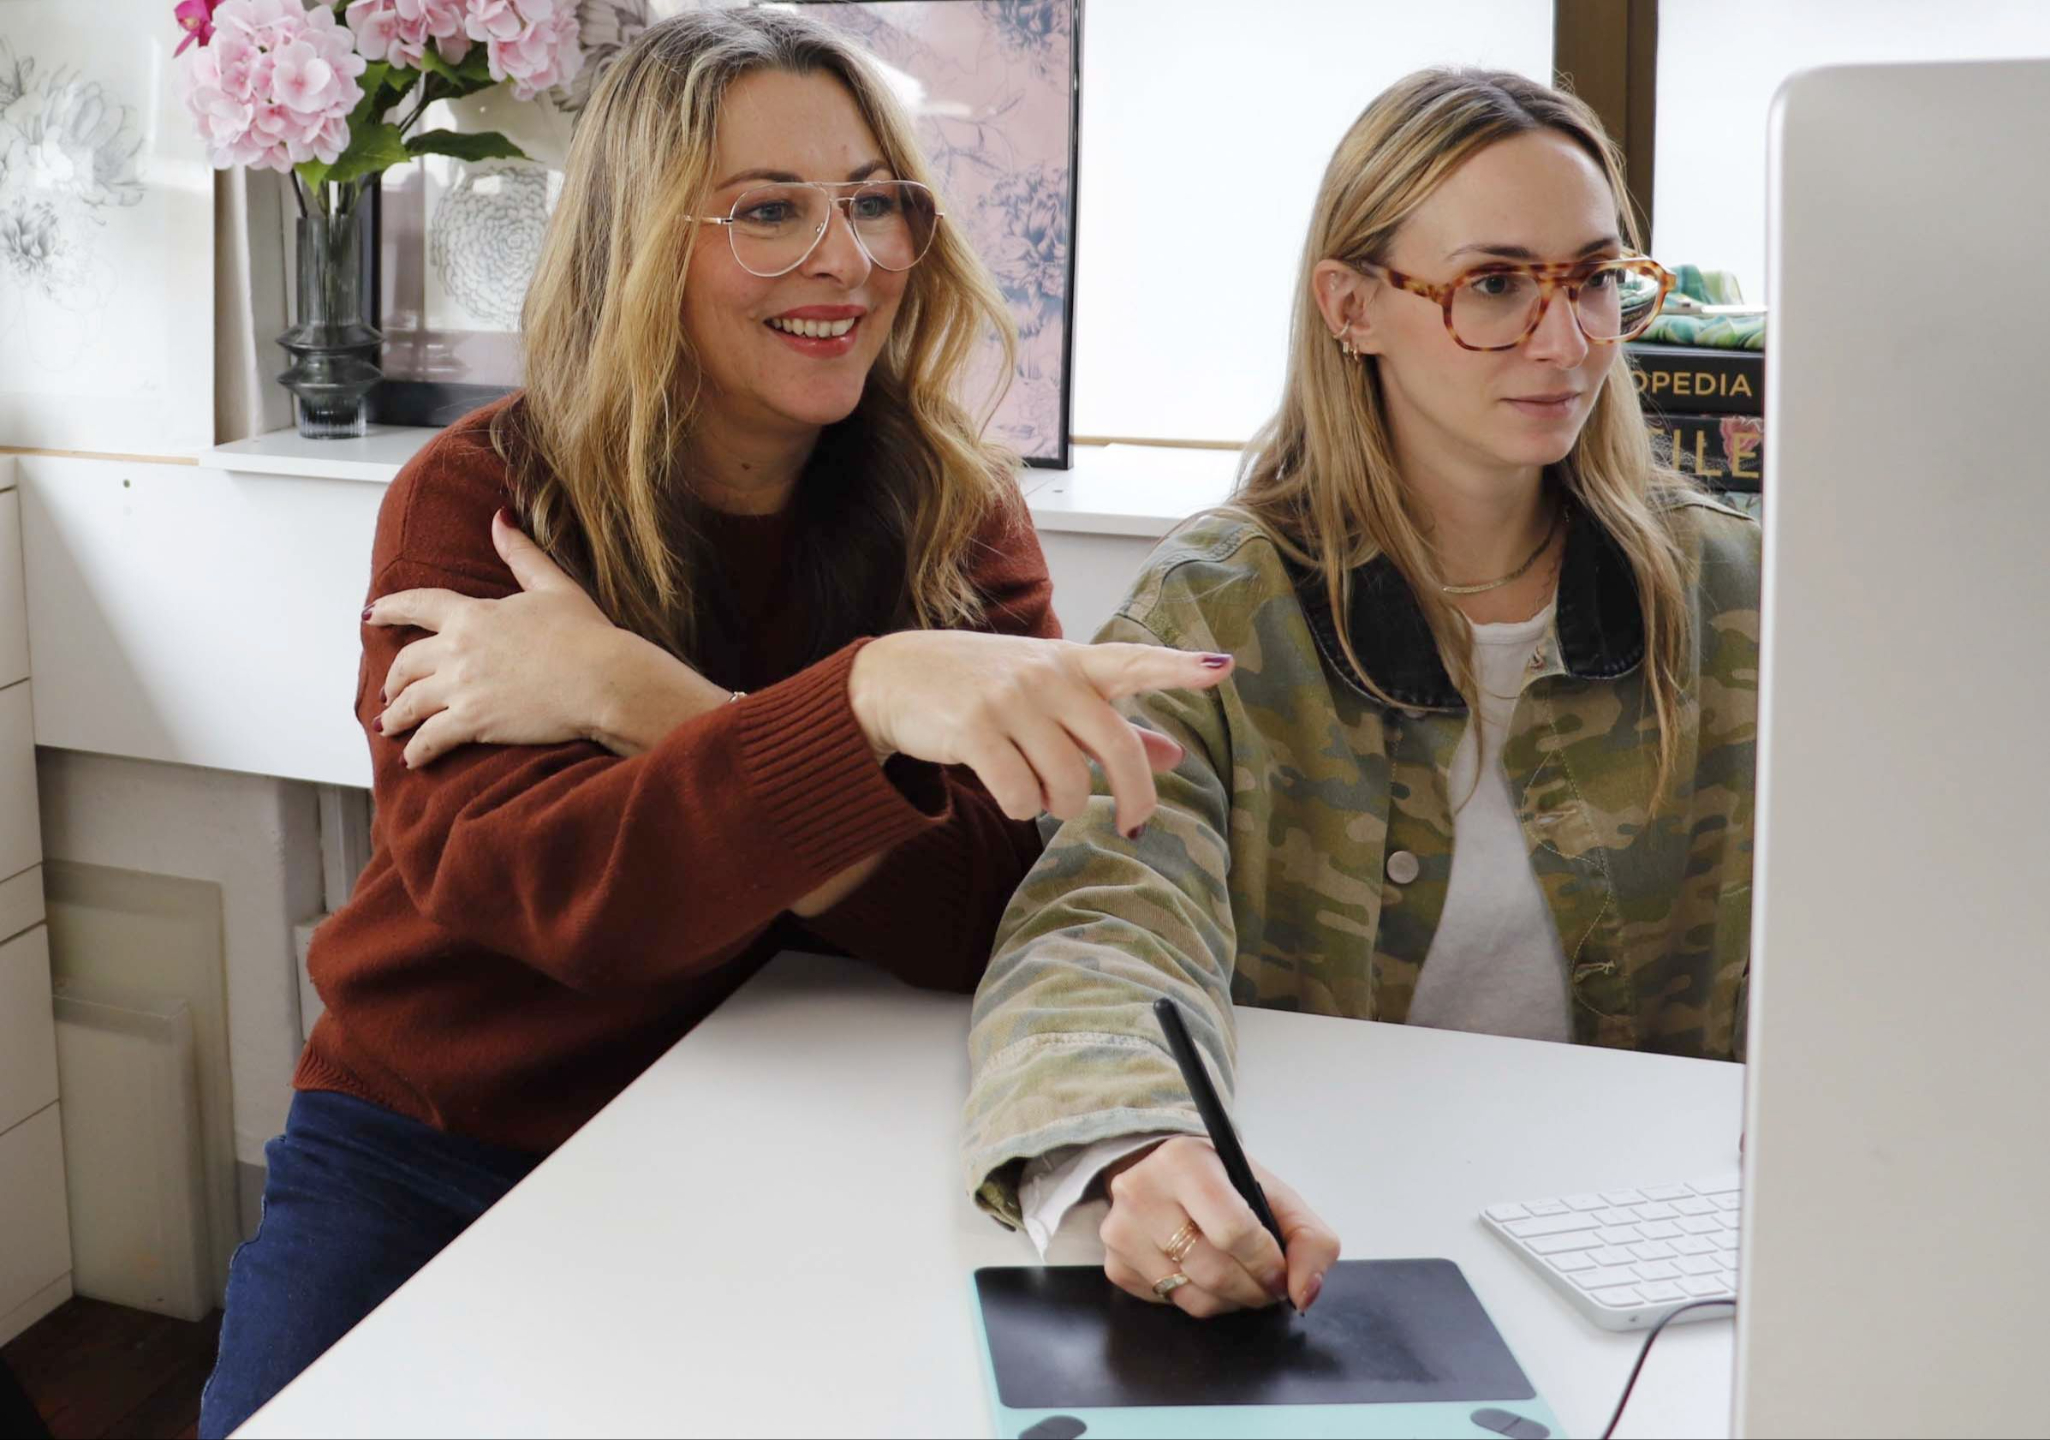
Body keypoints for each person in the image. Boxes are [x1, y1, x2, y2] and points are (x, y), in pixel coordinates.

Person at [199, 12, 1228, 1435]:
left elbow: (972, 919)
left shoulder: (955, 509)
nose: (847, 258)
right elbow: (559, 901)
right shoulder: (478, 501)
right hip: (438, 1139)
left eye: (873, 201)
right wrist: (861, 715)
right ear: (635, 244)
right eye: (768, 211)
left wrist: (638, 694)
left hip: (800, 1109)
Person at [961, 68, 1760, 1324]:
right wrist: (1140, 1147)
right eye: (1493, 286)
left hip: (1648, 1256)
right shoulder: (1221, 609)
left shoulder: (1735, 598)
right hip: (1328, 1249)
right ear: (1351, 306)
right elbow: (1101, 919)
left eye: (1596, 279)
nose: (1567, 340)